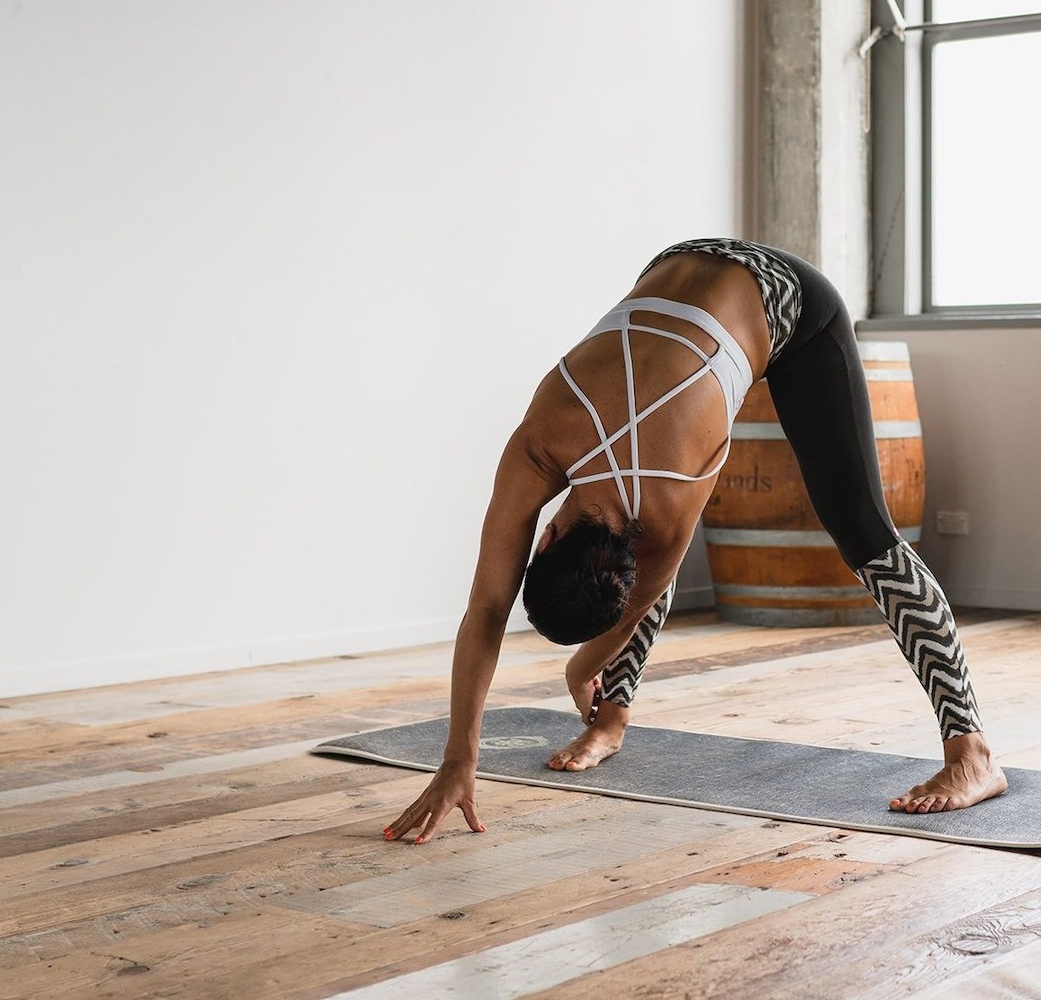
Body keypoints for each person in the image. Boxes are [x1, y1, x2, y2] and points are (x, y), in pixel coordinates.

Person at [384, 238, 1007, 845]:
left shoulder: (671, 491)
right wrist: (460, 758)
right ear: (546, 541)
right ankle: (610, 722)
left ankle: (972, 753)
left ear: (543, 537)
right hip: (683, 261)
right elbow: (495, 608)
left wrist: (580, 669)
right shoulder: (541, 443)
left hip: (792, 301)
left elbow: (575, 606)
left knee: (867, 536)